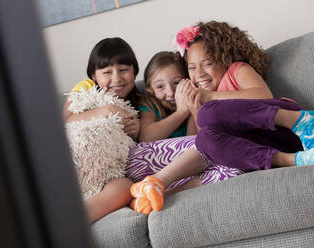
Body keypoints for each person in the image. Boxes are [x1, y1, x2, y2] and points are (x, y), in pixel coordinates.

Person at [129, 21, 314, 215]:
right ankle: (296, 160)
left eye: (207, 63)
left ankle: (303, 121)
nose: (199, 74)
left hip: (286, 125)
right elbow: (208, 147)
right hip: (270, 146)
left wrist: (209, 98)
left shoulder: (236, 71)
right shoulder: (201, 101)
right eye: (192, 68)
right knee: (206, 139)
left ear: (224, 59)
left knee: (209, 114)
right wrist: (193, 110)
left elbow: (263, 96)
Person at [127, 51, 243, 214]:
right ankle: (154, 183)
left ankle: (154, 195)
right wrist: (181, 112)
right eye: (160, 86)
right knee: (217, 142)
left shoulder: (195, 100)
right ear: (150, 90)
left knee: (233, 168)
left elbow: (194, 142)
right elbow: (146, 137)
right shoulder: (150, 104)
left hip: (180, 172)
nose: (170, 92)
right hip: (143, 162)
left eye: (176, 83)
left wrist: (193, 111)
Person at [63, 37, 141, 223]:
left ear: (134, 72)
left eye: (123, 70)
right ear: (94, 77)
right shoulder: (86, 89)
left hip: (106, 174)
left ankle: (74, 220)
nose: (117, 78)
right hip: (77, 160)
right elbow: (65, 120)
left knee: (125, 187)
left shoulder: (140, 101)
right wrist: (106, 111)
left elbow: (137, 145)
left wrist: (136, 131)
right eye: (107, 72)